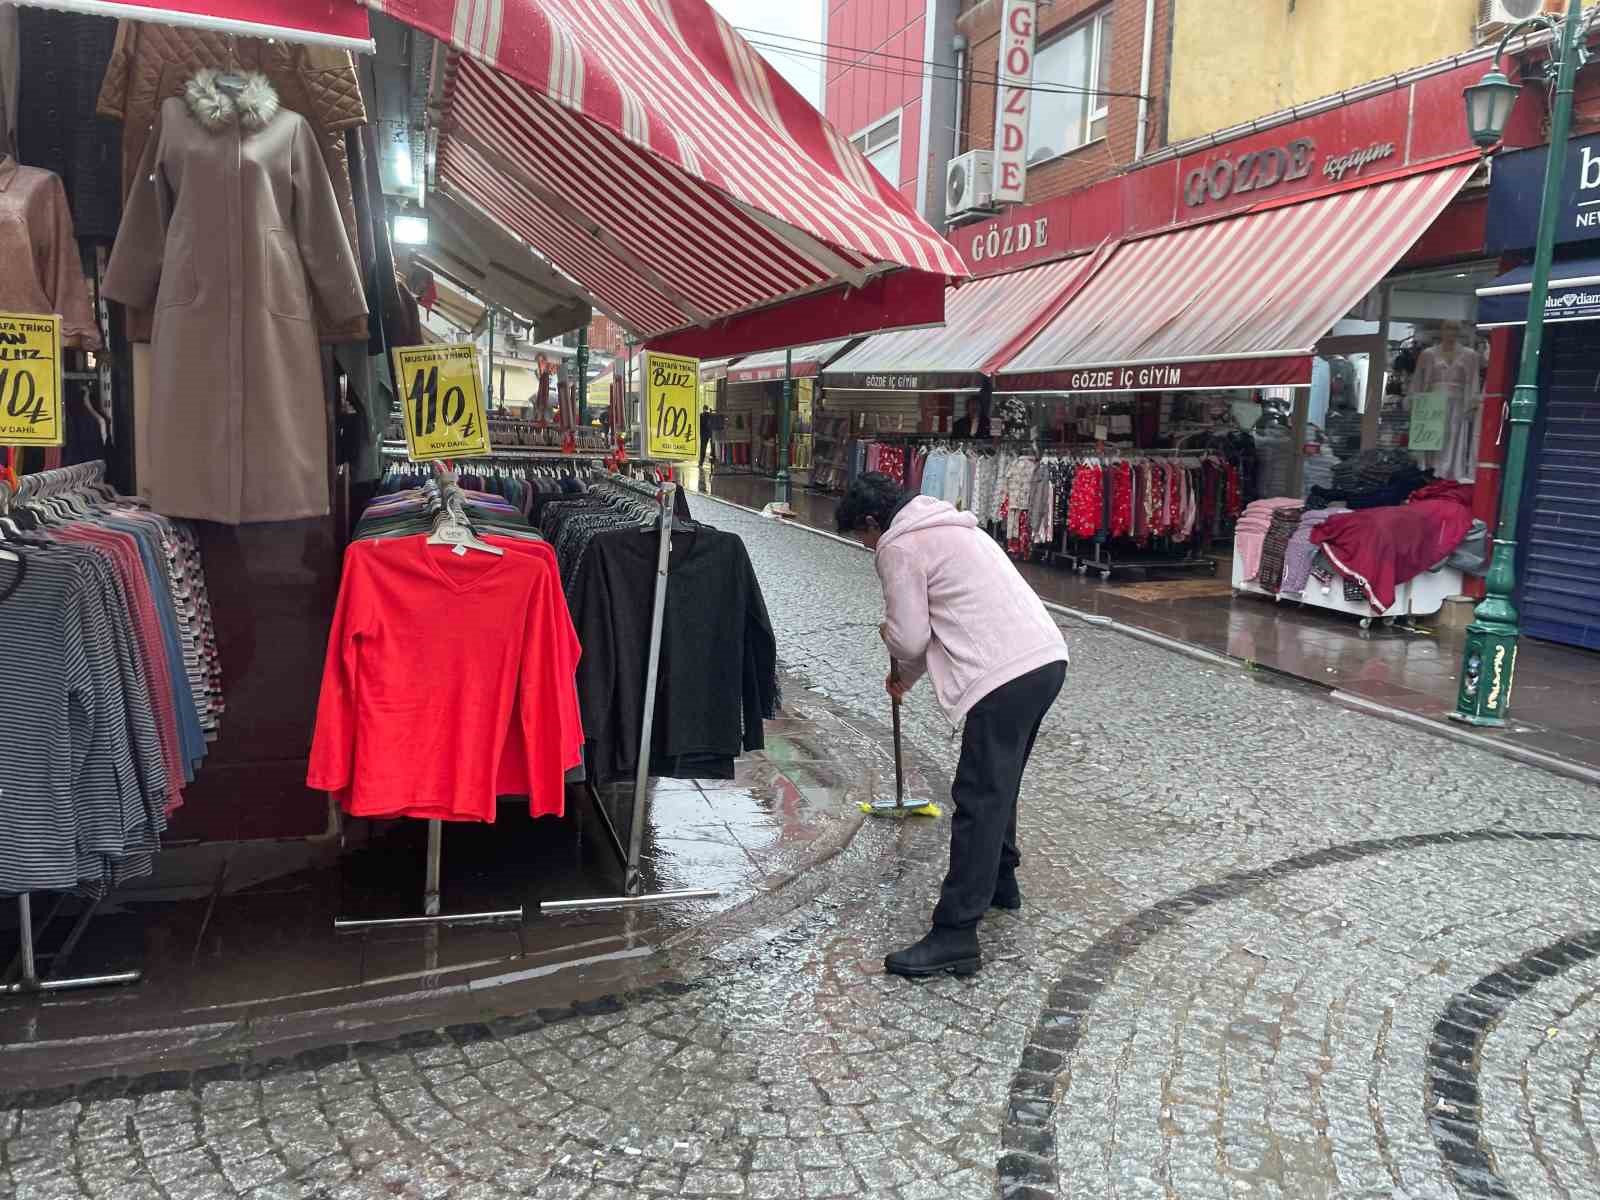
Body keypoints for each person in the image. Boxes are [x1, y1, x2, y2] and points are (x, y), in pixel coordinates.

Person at [836, 472, 1068, 978]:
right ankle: (1002, 882)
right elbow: (939, 620)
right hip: (1045, 659)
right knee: (1000, 782)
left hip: (1002, 674)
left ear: (873, 522)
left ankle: (956, 933)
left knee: (979, 797)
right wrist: (907, 679)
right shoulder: (954, 527)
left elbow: (911, 636)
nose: (865, 547)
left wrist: (891, 640)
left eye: (861, 536)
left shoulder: (898, 544)